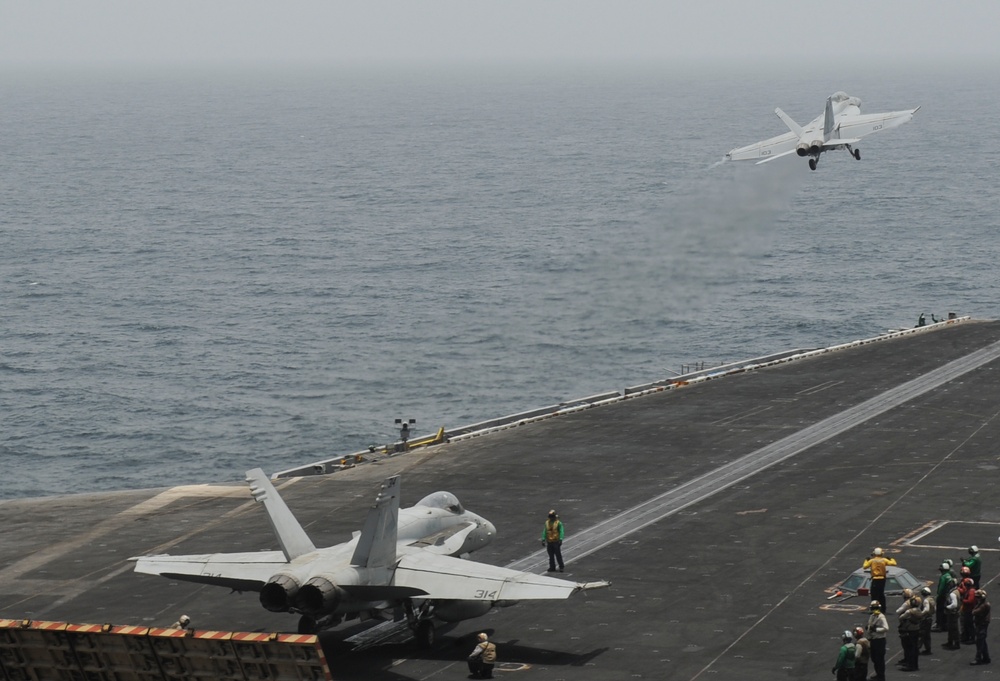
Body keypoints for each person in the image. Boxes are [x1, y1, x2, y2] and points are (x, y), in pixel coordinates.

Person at [862, 548, 897, 612]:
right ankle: (883, 609)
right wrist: (891, 559)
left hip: (875, 579)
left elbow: (864, 566)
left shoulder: (872, 561)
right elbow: (894, 563)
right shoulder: (884, 560)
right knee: (881, 594)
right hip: (882, 579)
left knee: (874, 595)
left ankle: (874, 608)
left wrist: (866, 560)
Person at [897, 596, 922, 671]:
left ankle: (910, 665)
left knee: (909, 648)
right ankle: (915, 665)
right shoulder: (919, 610)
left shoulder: (909, 611)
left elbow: (901, 617)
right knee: (915, 648)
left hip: (909, 630)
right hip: (916, 630)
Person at [866, 600, 889, 681]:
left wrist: (876, 629)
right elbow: (869, 626)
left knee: (879, 659)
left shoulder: (881, 617)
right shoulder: (872, 616)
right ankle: (878, 673)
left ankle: (881, 676)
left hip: (879, 640)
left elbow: (886, 628)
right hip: (873, 640)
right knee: (874, 658)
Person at [934, 561, 955, 632]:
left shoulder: (943, 577)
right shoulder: (949, 576)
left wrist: (939, 595)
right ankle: (945, 625)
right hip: (947, 595)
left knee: (940, 611)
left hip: (942, 596)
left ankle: (939, 626)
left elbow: (941, 588)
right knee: (945, 611)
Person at [971, 589, 991, 666]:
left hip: (981, 625)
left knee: (979, 642)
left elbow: (974, 612)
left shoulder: (983, 605)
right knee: (983, 642)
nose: (976, 598)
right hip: (981, 624)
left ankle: (978, 658)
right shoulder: (983, 604)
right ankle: (986, 657)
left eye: (977, 597)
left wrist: (975, 609)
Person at [943, 579, 962, 649]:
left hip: (952, 613)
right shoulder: (956, 591)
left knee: (954, 629)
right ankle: (950, 642)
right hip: (955, 612)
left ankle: (956, 643)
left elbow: (954, 604)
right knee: (951, 628)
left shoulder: (952, 593)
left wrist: (947, 607)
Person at [960, 576, 977, 644]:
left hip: (969, 610)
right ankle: (966, 637)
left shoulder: (971, 591)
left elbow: (970, 601)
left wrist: (963, 600)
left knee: (970, 625)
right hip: (966, 610)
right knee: (966, 624)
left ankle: (972, 638)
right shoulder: (968, 590)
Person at [919, 586, 935, 654]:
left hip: (925, 619)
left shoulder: (926, 600)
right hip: (930, 618)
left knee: (921, 634)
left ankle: (917, 648)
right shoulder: (932, 599)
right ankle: (928, 649)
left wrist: (921, 614)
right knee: (927, 635)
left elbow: (926, 609)